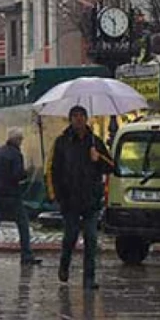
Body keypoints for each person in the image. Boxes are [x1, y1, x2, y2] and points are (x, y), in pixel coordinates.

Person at [48, 106, 114, 290]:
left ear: (86, 119)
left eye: (82, 116)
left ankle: (89, 279)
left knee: (91, 239)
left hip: (90, 199)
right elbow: (53, 169)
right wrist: (56, 195)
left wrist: (98, 158)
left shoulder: (95, 142)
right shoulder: (62, 142)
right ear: (70, 119)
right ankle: (64, 264)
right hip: (70, 200)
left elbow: (111, 166)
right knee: (70, 236)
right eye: (75, 116)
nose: (78, 119)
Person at [0, 128, 41, 267]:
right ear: (17, 140)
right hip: (10, 195)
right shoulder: (16, 154)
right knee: (23, 223)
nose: (21, 142)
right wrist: (27, 173)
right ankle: (26, 255)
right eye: (21, 139)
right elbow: (17, 175)